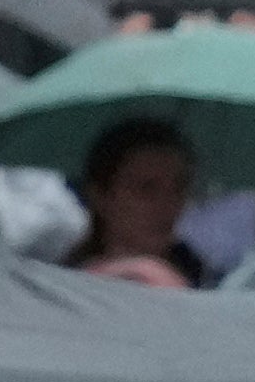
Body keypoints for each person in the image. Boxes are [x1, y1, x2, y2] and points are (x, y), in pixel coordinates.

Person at [74, 116, 205, 284]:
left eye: (179, 189)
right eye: (147, 188)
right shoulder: (66, 286)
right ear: (101, 195)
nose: (168, 205)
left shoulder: (203, 277)